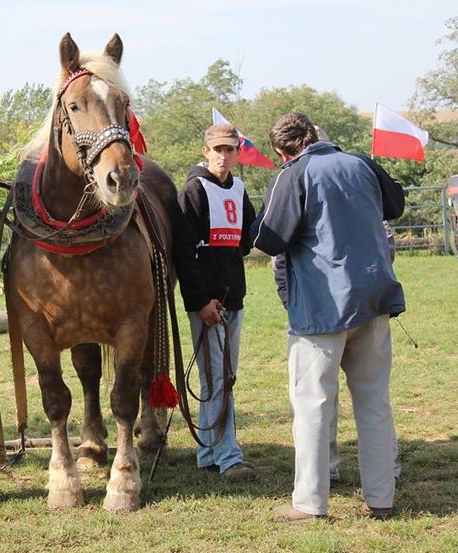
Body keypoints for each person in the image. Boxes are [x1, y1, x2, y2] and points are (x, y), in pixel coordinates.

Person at [252, 112, 405, 522]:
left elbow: (268, 239)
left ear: (282, 151)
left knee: (313, 405)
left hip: (322, 310)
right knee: (374, 402)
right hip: (374, 299)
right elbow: (398, 204)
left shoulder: (294, 173)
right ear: (314, 135)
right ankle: (381, 497)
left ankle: (309, 502)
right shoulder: (362, 162)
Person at [173, 122, 258, 480]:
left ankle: (208, 451)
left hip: (232, 297)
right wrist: (200, 300)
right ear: (205, 151)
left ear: (237, 153)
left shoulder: (238, 189)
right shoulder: (193, 190)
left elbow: (246, 237)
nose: (224, 156)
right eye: (217, 149)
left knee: (223, 378)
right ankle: (228, 457)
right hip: (208, 305)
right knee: (217, 379)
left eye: (230, 150)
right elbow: (184, 253)